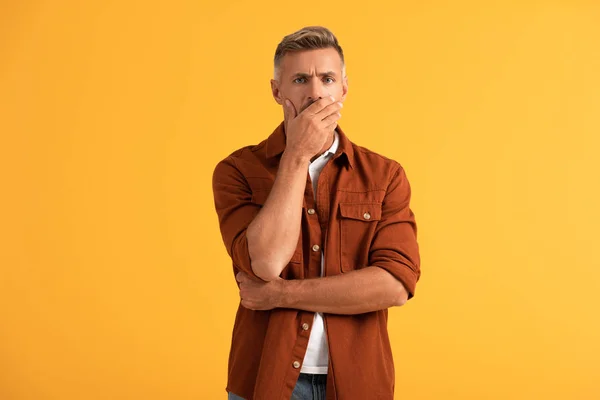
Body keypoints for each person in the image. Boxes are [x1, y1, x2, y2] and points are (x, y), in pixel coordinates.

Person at [212, 25, 421, 400]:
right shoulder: (238, 171)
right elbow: (264, 264)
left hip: (358, 382)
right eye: (299, 79)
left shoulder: (385, 175)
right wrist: (296, 154)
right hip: (264, 378)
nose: (315, 92)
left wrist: (279, 295)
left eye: (327, 78)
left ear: (343, 88)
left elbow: (395, 285)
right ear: (277, 91)